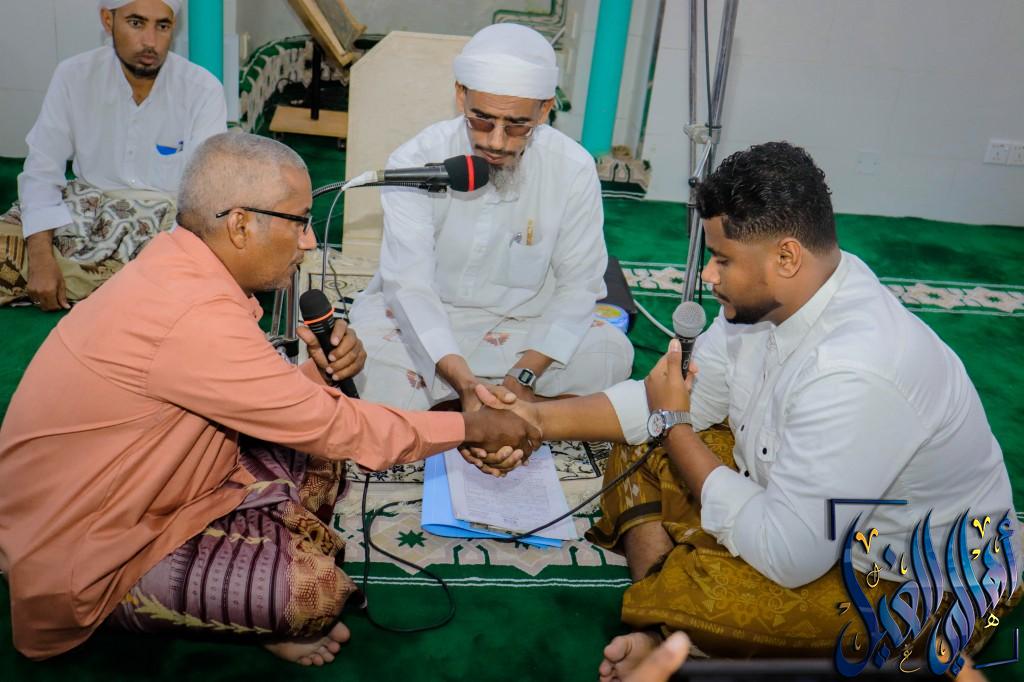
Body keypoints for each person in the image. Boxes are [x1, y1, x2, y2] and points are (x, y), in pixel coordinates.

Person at [473, 142, 1020, 677]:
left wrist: (675, 427)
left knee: (715, 595)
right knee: (640, 446)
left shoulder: (856, 371)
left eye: (722, 260)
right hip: (803, 515)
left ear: (786, 257)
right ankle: (671, 619)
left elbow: (789, 554)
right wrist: (534, 419)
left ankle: (669, 631)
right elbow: (679, 400)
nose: (708, 277)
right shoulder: (772, 301)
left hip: (913, 582)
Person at [0, 132, 538, 664]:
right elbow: (337, 426)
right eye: (299, 221)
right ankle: (200, 602)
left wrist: (319, 373)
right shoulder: (193, 315)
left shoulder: (179, 265)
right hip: (86, 547)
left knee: (320, 460)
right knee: (313, 593)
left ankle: (237, 569)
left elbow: (270, 403)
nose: (309, 242)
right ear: (240, 225)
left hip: (157, 486)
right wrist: (471, 427)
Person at [349, 23, 633, 413]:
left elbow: (579, 286)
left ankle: (478, 410)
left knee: (610, 353)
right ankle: (499, 409)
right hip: (427, 323)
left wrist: (524, 377)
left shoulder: (572, 168)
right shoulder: (415, 161)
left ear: (544, 109)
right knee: (369, 363)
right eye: (481, 120)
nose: (496, 142)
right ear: (460, 96)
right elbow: (410, 287)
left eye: (516, 126)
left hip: (522, 326)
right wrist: (464, 382)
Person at [0, 0, 227, 310]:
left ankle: (101, 287)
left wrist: (169, 261)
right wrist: (40, 258)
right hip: (84, 213)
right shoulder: (74, 76)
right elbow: (42, 170)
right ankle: (104, 288)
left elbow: (203, 196)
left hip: (163, 225)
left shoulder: (202, 89)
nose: (150, 41)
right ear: (108, 21)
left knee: (201, 273)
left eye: (162, 26)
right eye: (136, 23)